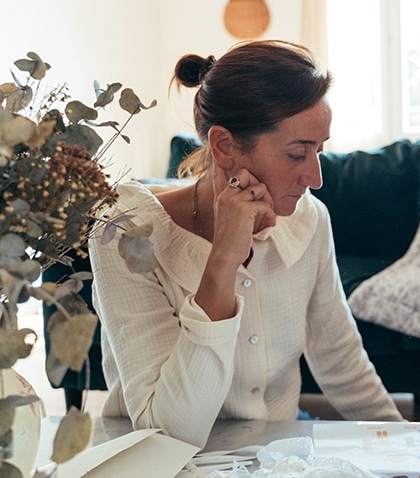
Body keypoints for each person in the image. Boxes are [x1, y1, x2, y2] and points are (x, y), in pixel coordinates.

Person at [91, 40, 404, 447]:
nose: (316, 178)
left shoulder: (309, 219)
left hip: (276, 457)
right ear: (224, 146)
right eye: (297, 155)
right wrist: (223, 260)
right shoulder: (126, 232)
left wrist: (408, 447)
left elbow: (340, 358)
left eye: (320, 152)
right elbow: (169, 434)